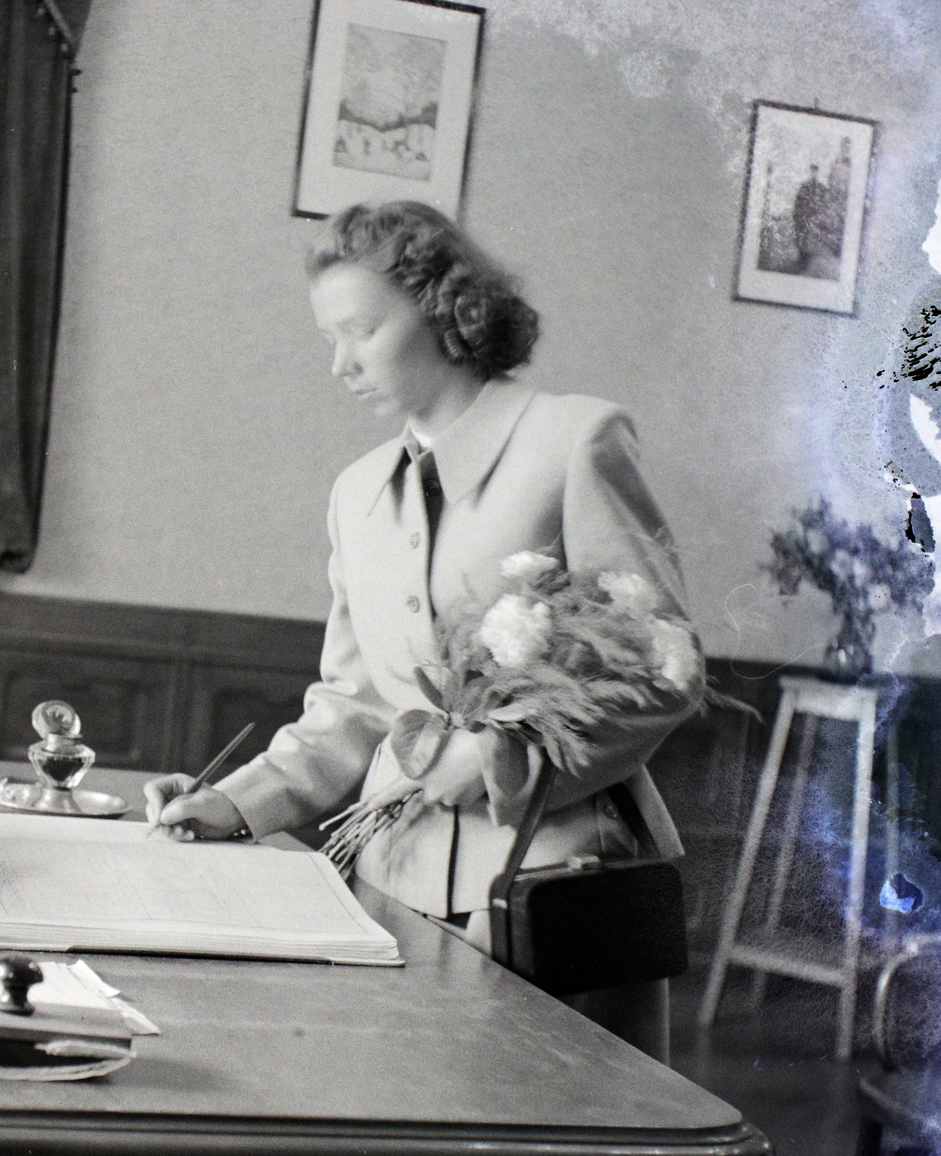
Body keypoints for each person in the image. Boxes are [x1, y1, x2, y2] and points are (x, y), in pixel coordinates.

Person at [145, 202, 699, 1061]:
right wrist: (234, 803)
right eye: (329, 338)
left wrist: (499, 756)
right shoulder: (356, 494)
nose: (341, 364)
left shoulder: (574, 440)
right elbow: (354, 705)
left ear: (446, 308)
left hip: (556, 891)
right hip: (392, 885)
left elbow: (663, 669)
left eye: (361, 330)